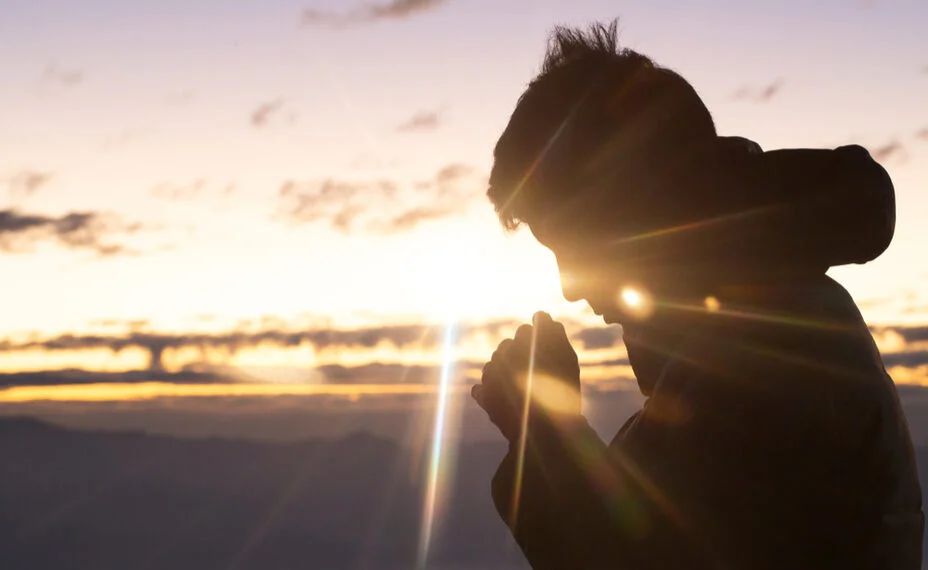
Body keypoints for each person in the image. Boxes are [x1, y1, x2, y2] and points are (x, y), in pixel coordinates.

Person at [471, 20, 923, 570]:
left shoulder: (764, 362)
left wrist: (544, 432)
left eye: (576, 246)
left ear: (640, 212)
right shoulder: (739, 336)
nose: (570, 287)